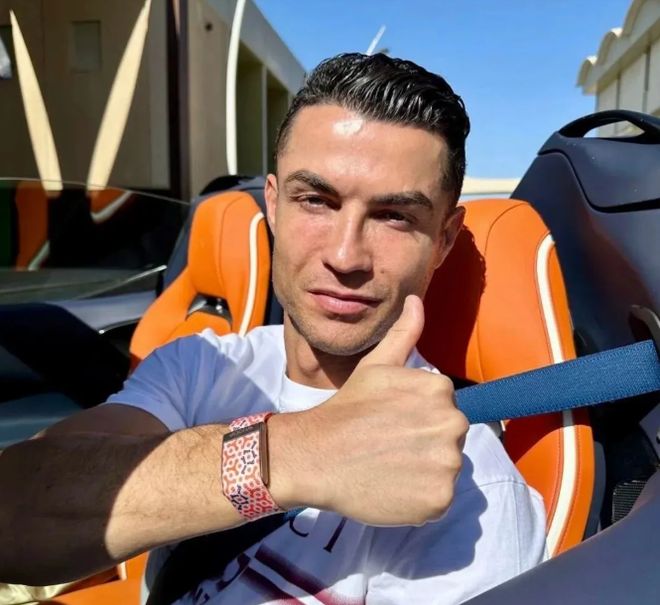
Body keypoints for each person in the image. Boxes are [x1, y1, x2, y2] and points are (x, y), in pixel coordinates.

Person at [0, 53, 546, 604]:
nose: (345, 255)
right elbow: (13, 513)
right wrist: (297, 454)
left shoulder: (475, 489)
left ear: (444, 240)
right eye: (316, 200)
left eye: (394, 217)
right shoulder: (200, 366)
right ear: (274, 204)